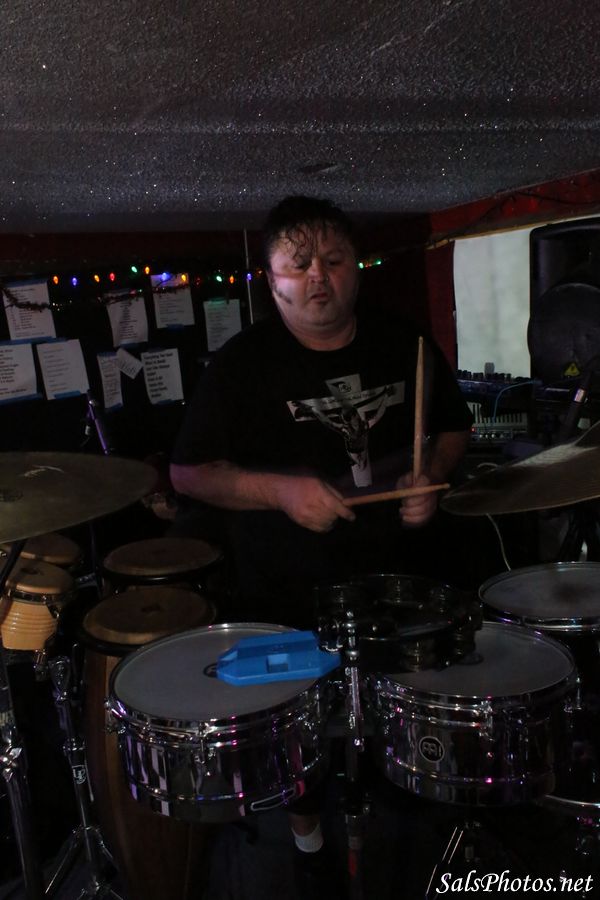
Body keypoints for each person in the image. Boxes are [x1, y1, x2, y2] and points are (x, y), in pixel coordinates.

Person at [169, 194, 473, 893]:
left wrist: (431, 475)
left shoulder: (405, 343)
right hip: (286, 588)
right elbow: (189, 473)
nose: (318, 277)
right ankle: (306, 843)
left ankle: (408, 835)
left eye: (333, 260)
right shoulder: (241, 366)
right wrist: (279, 491)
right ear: (271, 280)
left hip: (396, 581)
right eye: (298, 264)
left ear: (356, 269)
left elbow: (453, 428)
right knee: (300, 741)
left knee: (400, 729)